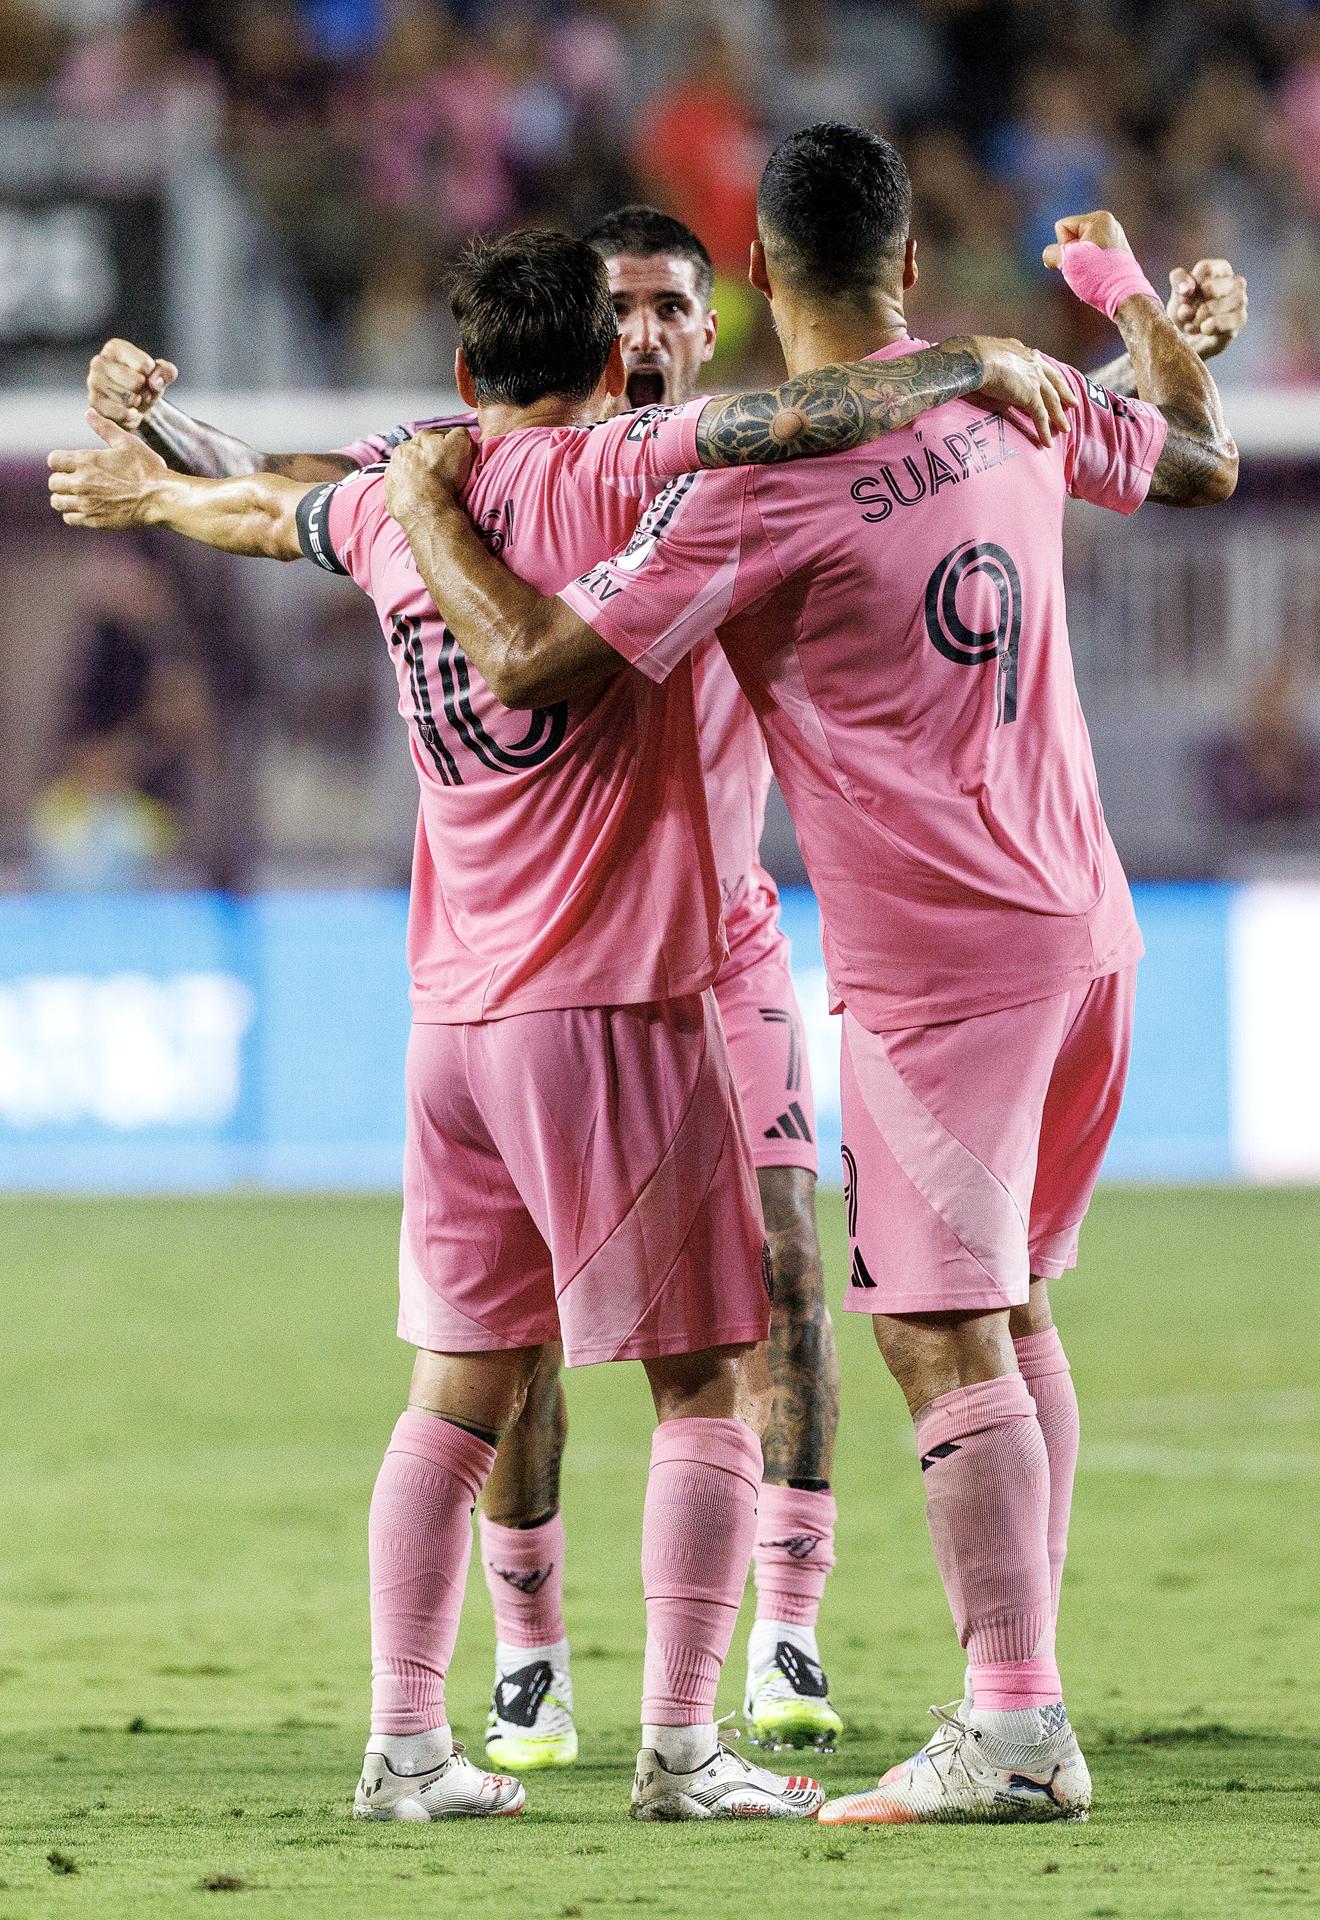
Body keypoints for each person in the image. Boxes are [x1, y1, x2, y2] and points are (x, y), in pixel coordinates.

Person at [77, 221, 1245, 1766]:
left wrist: (152, 473)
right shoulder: (673, 471)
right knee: (655, 1359)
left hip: (668, 963)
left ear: (720, 317)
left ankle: (772, 1637)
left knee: (757, 1297)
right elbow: (902, 430)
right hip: (624, 987)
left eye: (675, 308)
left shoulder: (516, 479)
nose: (647, 330)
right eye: (623, 308)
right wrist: (164, 429)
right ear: (591, 337)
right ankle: (578, 1679)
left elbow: (302, 504)